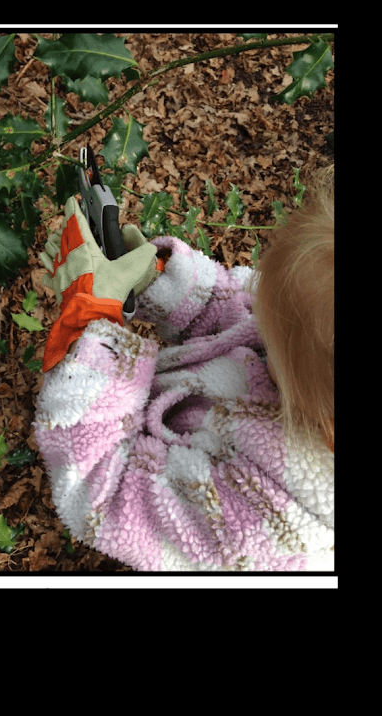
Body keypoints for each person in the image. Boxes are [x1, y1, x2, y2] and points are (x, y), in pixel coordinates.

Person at [33, 165, 334, 572]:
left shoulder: (269, 523)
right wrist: (157, 281)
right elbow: (240, 313)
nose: (257, 321)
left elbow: (106, 494)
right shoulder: (313, 349)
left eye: (270, 332)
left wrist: (88, 328)